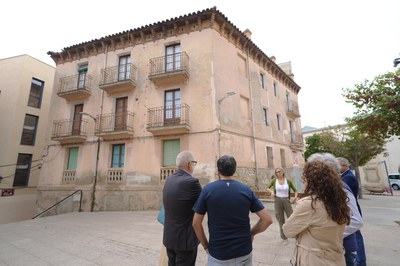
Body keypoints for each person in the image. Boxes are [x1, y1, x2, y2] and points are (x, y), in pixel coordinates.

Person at [192, 155, 273, 265]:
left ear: (218, 170)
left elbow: (196, 223)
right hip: (243, 251)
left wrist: (206, 245)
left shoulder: (208, 190)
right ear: (234, 170)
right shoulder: (246, 190)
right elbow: (267, 219)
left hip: (219, 253)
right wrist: (251, 233)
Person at [282, 160, 351, 266]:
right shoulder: (339, 201)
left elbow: (287, 230)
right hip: (336, 259)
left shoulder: (309, 204)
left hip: (313, 259)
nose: (303, 182)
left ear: (311, 181)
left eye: (304, 179)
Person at [307, 153, 363, 266]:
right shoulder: (326, 189)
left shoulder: (342, 189)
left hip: (340, 248)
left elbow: (356, 220)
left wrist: (330, 234)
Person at [163, 151, 202, 266]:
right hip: (185, 241)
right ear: (189, 164)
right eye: (194, 163)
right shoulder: (192, 182)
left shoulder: (169, 180)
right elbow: (204, 203)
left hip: (170, 238)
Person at [337, 157, 367, 266]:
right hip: (351, 212)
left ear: (345, 166)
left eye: (338, 165)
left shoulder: (347, 178)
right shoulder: (346, 176)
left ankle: (360, 261)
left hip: (351, 213)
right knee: (354, 237)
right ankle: (356, 259)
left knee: (356, 237)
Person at [265, 167, 298, 245]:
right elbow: (267, 187)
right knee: (280, 219)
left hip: (287, 200)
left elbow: (295, 190)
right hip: (277, 200)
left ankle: (295, 235)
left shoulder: (288, 181)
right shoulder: (274, 181)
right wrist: (271, 191)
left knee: (292, 217)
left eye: (279, 171)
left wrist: (295, 197)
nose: (277, 173)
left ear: (283, 172)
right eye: (276, 172)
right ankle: (284, 238)